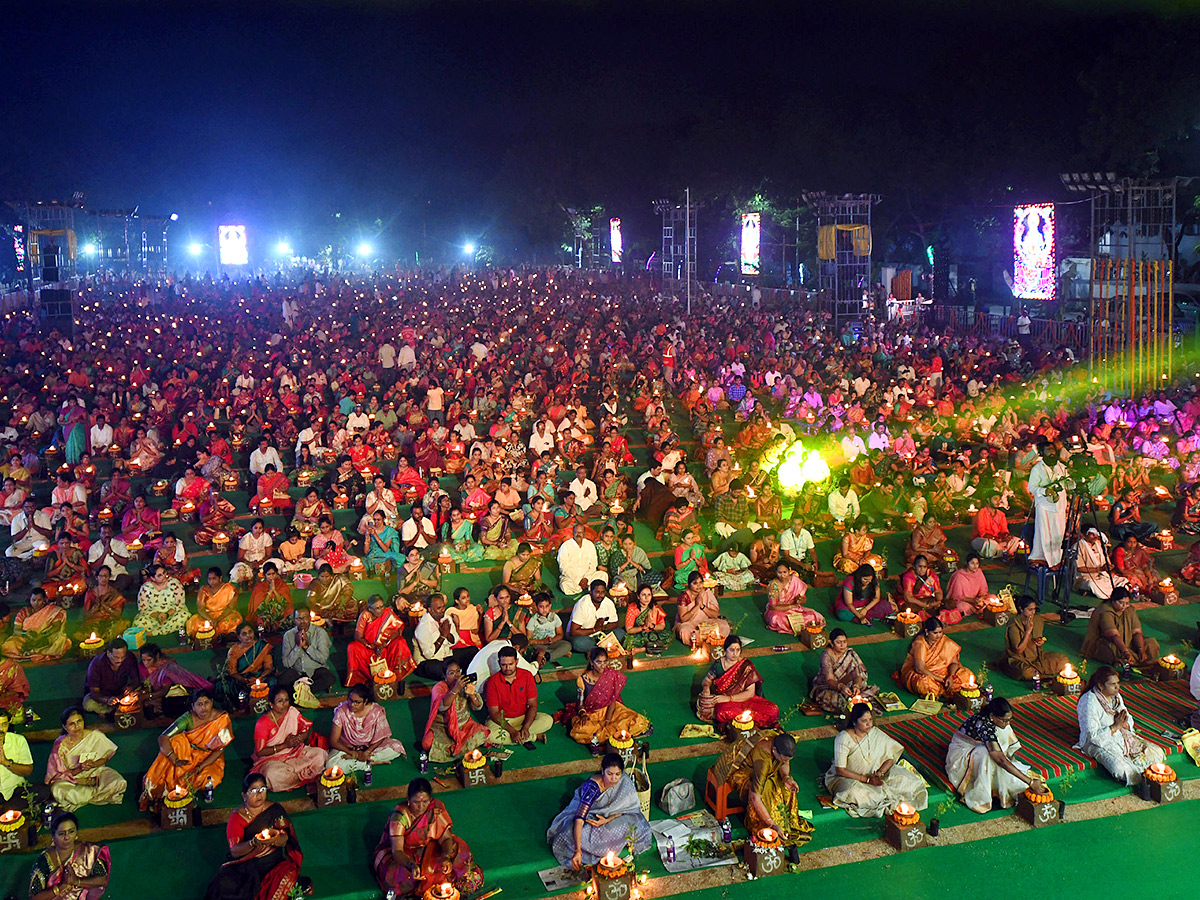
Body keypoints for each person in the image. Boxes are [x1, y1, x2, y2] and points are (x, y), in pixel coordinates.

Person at [374, 777, 484, 897]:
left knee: (453, 851)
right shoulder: (400, 816)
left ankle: (440, 882)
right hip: (405, 854)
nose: (421, 807)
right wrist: (410, 865)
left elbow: (446, 838)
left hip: (429, 847)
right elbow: (397, 851)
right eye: (416, 802)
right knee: (406, 876)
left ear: (430, 799)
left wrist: (445, 857)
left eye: (425, 801)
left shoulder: (435, 809)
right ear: (408, 800)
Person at [203, 773, 305, 900]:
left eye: (262, 789)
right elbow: (235, 851)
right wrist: (253, 843)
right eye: (254, 791)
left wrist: (275, 839)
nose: (259, 794)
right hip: (247, 864)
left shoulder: (275, 809)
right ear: (244, 795)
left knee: (286, 877)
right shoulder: (237, 817)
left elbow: (285, 840)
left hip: (272, 862)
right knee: (222, 884)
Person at [546, 752, 653, 869]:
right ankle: (591, 851)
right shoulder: (592, 788)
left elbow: (630, 809)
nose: (614, 779)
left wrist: (608, 819)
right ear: (602, 771)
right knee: (570, 835)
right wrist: (577, 851)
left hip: (611, 817)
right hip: (590, 817)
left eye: (617, 774)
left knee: (636, 822)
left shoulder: (624, 781)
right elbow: (579, 819)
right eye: (609, 774)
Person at [825, 703, 928, 817]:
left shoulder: (874, 733)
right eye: (864, 721)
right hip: (848, 778)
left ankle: (881, 793)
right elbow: (840, 770)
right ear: (854, 722)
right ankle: (879, 796)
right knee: (854, 792)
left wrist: (879, 773)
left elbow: (890, 757)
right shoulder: (843, 738)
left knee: (906, 780)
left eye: (870, 719)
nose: (869, 723)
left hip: (875, 776)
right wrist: (866, 780)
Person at [946, 697, 1047, 813]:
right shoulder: (984, 726)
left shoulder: (996, 721)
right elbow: (1000, 761)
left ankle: (999, 780)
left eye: (1010, 719)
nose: (1007, 723)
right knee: (986, 755)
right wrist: (1029, 782)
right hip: (963, 753)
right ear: (992, 716)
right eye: (1004, 720)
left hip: (983, 746)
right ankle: (981, 797)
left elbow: (1001, 757)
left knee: (1004, 731)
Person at [140, 688, 233, 810]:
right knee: (176, 741)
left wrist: (201, 766)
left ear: (212, 702)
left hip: (209, 758)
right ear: (193, 706)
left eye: (206, 703)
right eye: (199, 704)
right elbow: (163, 737)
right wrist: (174, 759)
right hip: (187, 753)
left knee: (209, 780)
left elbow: (219, 750)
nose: (203, 708)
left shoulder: (222, 719)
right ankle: (159, 786)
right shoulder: (188, 718)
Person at [1075, 665, 1166, 785]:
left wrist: (1125, 723)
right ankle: (1142, 780)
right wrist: (1115, 727)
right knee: (1121, 769)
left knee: (1157, 753)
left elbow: (1127, 718)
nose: (1117, 687)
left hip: (1120, 735)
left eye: (1118, 683)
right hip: (1096, 743)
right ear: (1101, 686)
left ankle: (1144, 774)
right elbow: (1092, 736)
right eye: (1112, 684)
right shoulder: (1089, 702)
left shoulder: (1116, 697)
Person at [728, 732, 814, 849]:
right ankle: (769, 825)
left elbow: (784, 762)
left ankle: (786, 822)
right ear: (774, 750)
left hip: (769, 771)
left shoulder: (779, 742)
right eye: (783, 759)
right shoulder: (762, 762)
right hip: (747, 774)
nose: (784, 761)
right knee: (766, 790)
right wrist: (771, 824)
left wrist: (786, 778)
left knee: (787, 786)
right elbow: (755, 797)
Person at [44, 706, 126, 811]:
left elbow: (105, 759)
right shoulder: (60, 745)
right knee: (57, 789)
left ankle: (84, 796)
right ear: (65, 727)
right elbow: (59, 775)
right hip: (72, 780)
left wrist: (94, 764)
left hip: (96, 773)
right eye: (71, 724)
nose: (77, 726)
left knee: (119, 782)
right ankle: (97, 794)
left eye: (79, 721)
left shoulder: (95, 736)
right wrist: (81, 773)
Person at [568, 647, 650, 746]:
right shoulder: (583, 680)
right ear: (591, 662)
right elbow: (580, 705)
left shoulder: (611, 675)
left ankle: (603, 735)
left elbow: (612, 700)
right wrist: (583, 715)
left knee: (638, 721)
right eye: (598, 662)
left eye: (604, 662)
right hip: (592, 713)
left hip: (610, 710)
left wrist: (607, 720)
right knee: (581, 730)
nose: (602, 666)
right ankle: (613, 733)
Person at [251, 685, 327, 792]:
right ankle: (307, 776)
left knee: (320, 754)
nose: (284, 704)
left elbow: (306, 729)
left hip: (295, 752)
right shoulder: (263, 723)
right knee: (271, 775)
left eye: (286, 700)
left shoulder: (292, 712)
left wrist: (299, 738)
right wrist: (285, 745)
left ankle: (296, 776)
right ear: (271, 704)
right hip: (272, 759)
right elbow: (260, 752)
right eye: (280, 701)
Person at [697, 635, 779, 728]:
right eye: (731, 650)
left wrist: (729, 698)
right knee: (721, 713)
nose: (735, 653)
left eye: (738, 650)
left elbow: (750, 693)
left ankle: (742, 720)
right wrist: (706, 688)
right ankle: (749, 720)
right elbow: (707, 680)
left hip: (746, 700)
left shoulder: (746, 666)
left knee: (773, 710)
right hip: (726, 703)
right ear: (725, 650)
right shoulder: (718, 664)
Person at [28, 811, 111, 900]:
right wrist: (61, 887)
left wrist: (77, 881)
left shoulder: (88, 851)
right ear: (53, 836)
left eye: (71, 831)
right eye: (61, 834)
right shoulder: (45, 860)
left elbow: (102, 879)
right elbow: (34, 897)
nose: (67, 837)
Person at [327, 684, 407, 773]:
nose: (352, 704)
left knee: (396, 748)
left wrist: (367, 752)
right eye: (350, 700)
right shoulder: (342, 711)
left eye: (357, 702)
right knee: (330, 765)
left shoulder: (376, 711)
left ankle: (363, 759)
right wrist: (352, 753)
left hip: (369, 748)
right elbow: (333, 741)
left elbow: (381, 737)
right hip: (348, 747)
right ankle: (366, 763)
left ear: (365, 701)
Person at [421, 660, 490, 762]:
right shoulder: (439, 688)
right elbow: (442, 706)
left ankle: (454, 750)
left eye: (458, 671)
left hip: (464, 726)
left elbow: (478, 706)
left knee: (483, 732)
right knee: (427, 743)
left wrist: (471, 694)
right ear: (444, 676)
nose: (456, 675)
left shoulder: (465, 684)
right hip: (443, 728)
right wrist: (456, 688)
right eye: (451, 673)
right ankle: (462, 748)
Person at [484, 646, 553, 745]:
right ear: (499, 663)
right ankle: (533, 737)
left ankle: (519, 735)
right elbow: (494, 713)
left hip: (523, 717)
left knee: (547, 721)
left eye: (511, 664)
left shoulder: (527, 676)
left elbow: (533, 705)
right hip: (504, 720)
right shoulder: (493, 681)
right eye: (504, 665)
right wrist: (512, 731)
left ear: (516, 662)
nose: (507, 668)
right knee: (488, 734)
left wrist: (526, 727)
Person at [1079, 587, 1160, 666]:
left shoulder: (1129, 610)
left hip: (1128, 641)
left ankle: (1132, 659)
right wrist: (1126, 652)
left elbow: (1137, 632)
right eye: (1121, 603)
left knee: (1151, 643)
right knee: (1113, 651)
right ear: (1113, 601)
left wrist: (1141, 650)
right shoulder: (1105, 611)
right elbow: (1114, 635)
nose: (1124, 606)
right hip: (1109, 642)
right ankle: (1133, 660)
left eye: (1127, 603)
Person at [897, 617, 976, 698]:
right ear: (927, 632)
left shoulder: (944, 640)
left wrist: (950, 677)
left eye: (940, 632)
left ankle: (941, 689)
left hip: (943, 673)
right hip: (926, 674)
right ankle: (942, 689)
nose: (938, 636)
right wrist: (942, 680)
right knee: (923, 683)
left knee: (967, 675)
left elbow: (954, 663)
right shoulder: (920, 643)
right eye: (935, 633)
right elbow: (920, 669)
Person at [810, 629, 884, 714]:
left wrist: (856, 686)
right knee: (833, 700)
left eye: (844, 642)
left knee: (862, 687)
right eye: (838, 642)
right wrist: (841, 687)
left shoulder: (850, 653)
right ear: (831, 642)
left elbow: (858, 675)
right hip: (828, 686)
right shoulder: (826, 655)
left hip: (847, 683)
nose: (842, 645)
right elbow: (829, 680)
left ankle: (854, 701)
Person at [1000, 595, 1069, 681]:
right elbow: (1018, 650)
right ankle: (1041, 675)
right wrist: (1028, 632)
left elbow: (1037, 644)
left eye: (1034, 609)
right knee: (1025, 672)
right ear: (1021, 609)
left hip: (1037, 657)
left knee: (1063, 659)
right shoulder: (1013, 624)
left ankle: (1037, 674)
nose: (1033, 612)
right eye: (1030, 610)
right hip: (1018, 659)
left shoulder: (1037, 620)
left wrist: (1039, 643)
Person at [140, 643, 214, 718]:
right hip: (154, 693)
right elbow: (145, 683)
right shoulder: (142, 667)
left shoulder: (168, 666)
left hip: (171, 693)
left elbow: (165, 690)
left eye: (149, 660)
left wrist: (148, 696)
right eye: (143, 660)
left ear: (157, 656)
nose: (146, 663)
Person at [215, 624, 275, 709]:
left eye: (250, 632)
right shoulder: (234, 651)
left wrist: (259, 679)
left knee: (272, 681)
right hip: (242, 679)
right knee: (224, 686)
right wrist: (246, 681)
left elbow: (268, 668)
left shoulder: (262, 646)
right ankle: (242, 706)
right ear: (239, 637)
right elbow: (233, 672)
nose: (248, 636)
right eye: (244, 634)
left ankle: (269, 704)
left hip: (260, 676)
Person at [1027, 442, 1068, 566]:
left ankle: (1057, 559)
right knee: (1045, 532)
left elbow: (1068, 482)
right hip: (1044, 506)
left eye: (1053, 449)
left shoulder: (1061, 467)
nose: (1051, 452)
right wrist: (1045, 491)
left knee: (1059, 532)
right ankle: (1045, 558)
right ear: (1042, 453)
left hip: (1059, 505)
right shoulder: (1037, 468)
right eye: (1048, 450)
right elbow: (1032, 487)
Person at [2, 588, 71, 660]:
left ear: (44, 600)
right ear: (30, 600)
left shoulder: (51, 611)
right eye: (33, 600)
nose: (36, 603)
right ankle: (33, 651)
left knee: (61, 640)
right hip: (27, 638)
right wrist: (25, 633)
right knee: (9, 645)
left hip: (46, 638)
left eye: (39, 600)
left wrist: (42, 635)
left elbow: (56, 626)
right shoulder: (24, 612)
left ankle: (33, 651)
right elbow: (16, 630)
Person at [279, 609, 337, 694]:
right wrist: (298, 647)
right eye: (298, 619)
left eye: (305, 618)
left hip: (315, 671)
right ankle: (306, 690)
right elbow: (286, 663)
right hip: (297, 672)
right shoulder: (288, 635)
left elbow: (323, 658)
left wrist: (307, 647)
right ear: (294, 620)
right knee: (282, 680)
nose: (302, 621)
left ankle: (302, 691)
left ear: (310, 618)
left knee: (329, 678)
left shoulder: (320, 633)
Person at [82, 638, 140, 716]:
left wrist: (130, 687)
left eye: (122, 657)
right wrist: (107, 700)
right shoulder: (97, 664)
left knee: (139, 692)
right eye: (116, 657)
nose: (120, 660)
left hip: (121, 693)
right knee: (88, 704)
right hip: (103, 696)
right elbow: (94, 693)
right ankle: (114, 709)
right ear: (108, 653)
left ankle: (109, 710)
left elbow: (136, 680)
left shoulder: (130, 658)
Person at [764, 563, 825, 634]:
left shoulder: (795, 580)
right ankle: (799, 625)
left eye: (785, 572)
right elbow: (773, 606)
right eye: (779, 573)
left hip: (795, 609)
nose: (782, 575)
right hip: (779, 610)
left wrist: (800, 600)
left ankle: (796, 625)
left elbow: (804, 599)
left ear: (789, 570)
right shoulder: (774, 585)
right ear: (776, 572)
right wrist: (791, 606)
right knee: (776, 619)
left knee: (814, 616)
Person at [675, 570, 731, 646]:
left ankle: (708, 640)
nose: (699, 586)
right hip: (689, 623)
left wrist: (702, 606)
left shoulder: (707, 592)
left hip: (706, 622)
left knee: (723, 625)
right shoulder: (684, 596)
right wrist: (697, 606)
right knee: (685, 631)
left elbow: (715, 615)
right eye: (695, 583)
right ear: (689, 584)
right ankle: (705, 641)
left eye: (700, 582)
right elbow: (683, 619)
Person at [568, 580, 624, 654]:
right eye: (597, 592)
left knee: (621, 633)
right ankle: (602, 649)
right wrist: (595, 630)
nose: (600, 595)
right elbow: (574, 631)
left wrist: (603, 628)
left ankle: (595, 650)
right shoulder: (582, 604)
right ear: (591, 592)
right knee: (578, 643)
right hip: (583, 636)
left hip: (601, 635)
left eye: (603, 592)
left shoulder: (608, 603)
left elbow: (615, 623)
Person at [132, 564, 190, 635]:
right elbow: (143, 609)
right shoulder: (146, 588)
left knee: (184, 617)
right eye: (159, 575)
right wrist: (158, 615)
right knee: (138, 622)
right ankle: (164, 629)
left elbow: (180, 605)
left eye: (164, 573)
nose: (164, 576)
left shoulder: (175, 584)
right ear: (153, 578)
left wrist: (167, 614)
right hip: (153, 618)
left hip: (172, 615)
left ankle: (154, 632)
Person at [187, 567, 243, 639]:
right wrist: (211, 620)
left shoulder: (230, 589)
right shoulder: (204, 590)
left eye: (214, 578)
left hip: (224, 615)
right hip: (207, 615)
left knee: (234, 620)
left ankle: (223, 637)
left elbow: (230, 608)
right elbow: (200, 609)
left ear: (220, 578)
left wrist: (218, 620)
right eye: (209, 579)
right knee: (194, 621)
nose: (211, 582)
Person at [0, 707, 34, 809]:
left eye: (4, 724)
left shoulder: (18, 740)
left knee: (43, 791)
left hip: (17, 789)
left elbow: (28, 771)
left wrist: (6, 762)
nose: (1, 729)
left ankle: (5, 808)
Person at [622, 584, 671, 655]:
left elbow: (662, 626)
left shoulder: (655, 608)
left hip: (653, 633)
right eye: (643, 595)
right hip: (638, 634)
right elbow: (629, 630)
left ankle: (642, 649)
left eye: (649, 595)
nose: (646, 598)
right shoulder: (632, 608)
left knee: (668, 636)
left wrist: (652, 626)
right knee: (628, 641)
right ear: (638, 597)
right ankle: (654, 647)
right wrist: (643, 627)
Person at [558, 524, 607, 595]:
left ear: (584, 534)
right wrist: (578, 580)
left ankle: (588, 587)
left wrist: (586, 578)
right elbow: (563, 568)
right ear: (573, 533)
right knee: (565, 585)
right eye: (576, 532)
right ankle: (587, 588)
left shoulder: (589, 544)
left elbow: (593, 565)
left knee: (603, 575)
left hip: (588, 578)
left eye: (580, 532)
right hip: (572, 579)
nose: (578, 534)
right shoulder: (565, 546)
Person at [524, 593, 572, 663]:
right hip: (539, 644)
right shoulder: (533, 620)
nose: (544, 609)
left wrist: (552, 640)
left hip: (552, 643)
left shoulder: (555, 617)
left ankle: (547, 656)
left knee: (567, 645)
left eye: (547, 606)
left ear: (550, 606)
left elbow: (560, 634)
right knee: (535, 649)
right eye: (541, 607)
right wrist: (543, 641)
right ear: (536, 607)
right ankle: (557, 653)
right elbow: (529, 640)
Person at [246, 562, 294, 633]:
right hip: (266, 613)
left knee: (292, 615)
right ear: (264, 575)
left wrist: (274, 590)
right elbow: (262, 606)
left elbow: (283, 603)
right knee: (260, 621)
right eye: (269, 574)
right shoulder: (259, 587)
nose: (271, 577)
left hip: (281, 613)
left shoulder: (281, 584)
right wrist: (270, 591)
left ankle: (278, 626)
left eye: (273, 574)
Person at [944, 552, 991, 619]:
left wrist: (981, 598)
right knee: (961, 606)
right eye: (972, 563)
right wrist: (972, 600)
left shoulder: (979, 572)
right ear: (966, 563)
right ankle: (977, 609)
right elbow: (957, 596)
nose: (975, 566)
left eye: (977, 563)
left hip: (977, 600)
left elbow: (983, 588)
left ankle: (978, 608)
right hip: (965, 601)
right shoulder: (959, 575)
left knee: (993, 597)